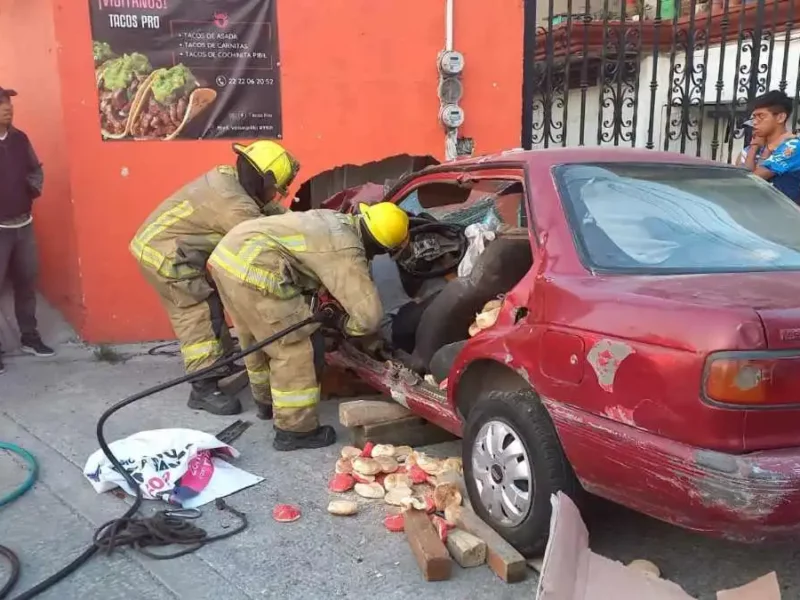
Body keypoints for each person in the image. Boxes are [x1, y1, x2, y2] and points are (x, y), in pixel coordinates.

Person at [207, 202, 410, 451]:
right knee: (295, 348)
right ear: (379, 245)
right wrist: (344, 323)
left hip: (228, 258)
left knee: (256, 338)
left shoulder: (336, 221)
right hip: (257, 271)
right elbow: (369, 317)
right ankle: (295, 431)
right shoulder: (346, 248)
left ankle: (266, 403)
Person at [130, 140, 299, 414]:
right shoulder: (234, 206)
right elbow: (263, 244)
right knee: (197, 315)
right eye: (273, 189)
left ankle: (219, 362)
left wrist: (304, 221)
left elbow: (267, 212)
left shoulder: (230, 179)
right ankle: (203, 388)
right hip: (165, 257)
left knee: (212, 305)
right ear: (262, 179)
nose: (273, 196)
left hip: (169, 248)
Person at [0, 86, 55, 376]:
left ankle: (30, 337)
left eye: (8, 102)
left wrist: (28, 190)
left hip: (24, 224)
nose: (7, 107)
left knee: (26, 283)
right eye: (1, 103)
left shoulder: (20, 139)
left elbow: (36, 169)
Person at [742, 90, 800, 203]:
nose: (755, 122)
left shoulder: (793, 146)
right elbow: (741, 178)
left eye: (761, 116)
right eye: (754, 117)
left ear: (780, 117)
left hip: (784, 216)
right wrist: (754, 147)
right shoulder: (753, 148)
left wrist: (768, 149)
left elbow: (754, 180)